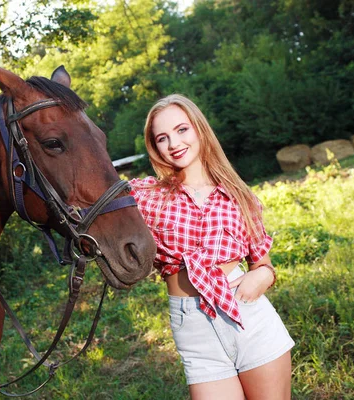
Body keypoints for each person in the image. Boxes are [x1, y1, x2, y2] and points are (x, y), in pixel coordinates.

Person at [129, 94, 294, 400]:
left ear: (199, 130)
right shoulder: (146, 196)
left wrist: (261, 276)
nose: (173, 143)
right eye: (162, 137)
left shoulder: (239, 196)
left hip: (249, 317)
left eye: (182, 130)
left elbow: (264, 265)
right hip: (193, 328)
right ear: (154, 146)